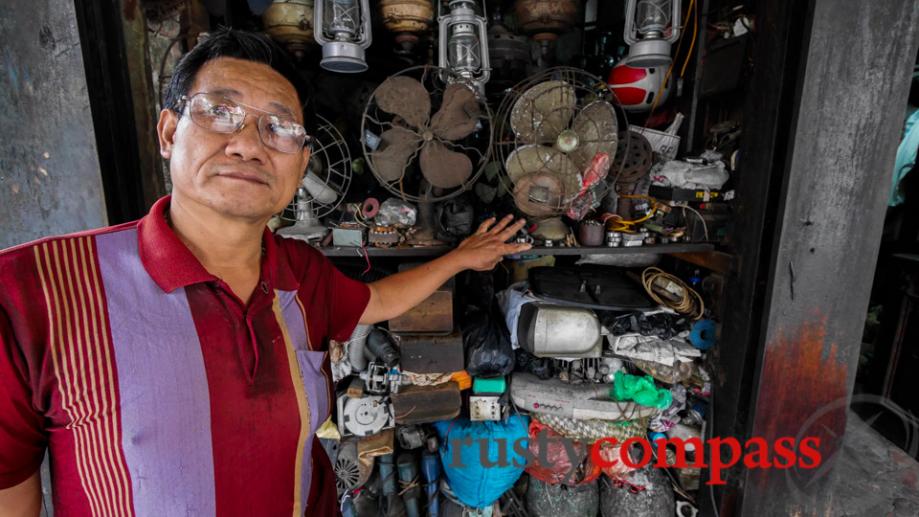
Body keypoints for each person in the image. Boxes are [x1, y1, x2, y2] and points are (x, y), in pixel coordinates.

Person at [0, 28, 530, 516]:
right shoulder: (34, 293)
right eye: (218, 112)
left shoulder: (300, 272)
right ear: (167, 131)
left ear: (302, 164)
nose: (249, 144)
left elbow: (378, 303)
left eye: (279, 127)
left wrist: (463, 257)